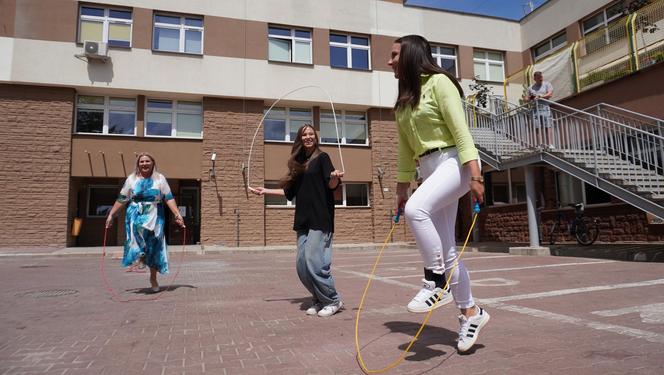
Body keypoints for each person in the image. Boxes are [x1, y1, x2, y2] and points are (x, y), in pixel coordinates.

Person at [388, 35, 489, 352]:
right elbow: (405, 152)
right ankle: (471, 313)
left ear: (410, 56)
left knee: (416, 211)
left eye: (393, 55)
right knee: (447, 251)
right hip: (429, 170)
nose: (388, 61)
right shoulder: (403, 102)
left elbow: (461, 132)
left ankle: (435, 282)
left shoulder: (440, 83)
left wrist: (475, 176)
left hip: (453, 163)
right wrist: (402, 190)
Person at [249, 124, 344, 317]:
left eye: (311, 134)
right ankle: (319, 299)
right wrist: (265, 191)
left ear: (315, 137)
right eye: (304, 135)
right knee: (302, 265)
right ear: (300, 139)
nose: (308, 137)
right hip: (303, 219)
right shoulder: (299, 163)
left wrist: (334, 178)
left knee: (314, 261)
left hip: (320, 217)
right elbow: (288, 192)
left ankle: (333, 300)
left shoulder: (323, 158)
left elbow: (332, 185)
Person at [105, 152, 185, 293]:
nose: (144, 164)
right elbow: (122, 198)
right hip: (136, 212)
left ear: (152, 163)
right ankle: (140, 255)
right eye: (141, 161)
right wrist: (111, 214)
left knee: (154, 247)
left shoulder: (160, 179)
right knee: (137, 229)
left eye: (147, 161)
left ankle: (153, 277)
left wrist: (177, 214)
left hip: (155, 214)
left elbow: (169, 198)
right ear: (138, 164)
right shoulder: (131, 179)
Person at [527, 71, 554, 148]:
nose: (541, 78)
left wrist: (541, 96)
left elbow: (550, 94)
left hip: (545, 108)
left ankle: (550, 144)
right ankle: (540, 144)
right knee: (537, 127)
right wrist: (530, 98)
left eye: (541, 77)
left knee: (547, 126)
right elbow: (528, 98)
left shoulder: (547, 84)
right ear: (535, 78)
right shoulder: (531, 87)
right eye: (539, 77)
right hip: (535, 109)